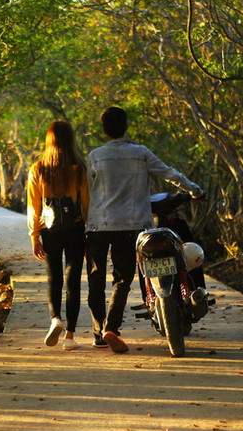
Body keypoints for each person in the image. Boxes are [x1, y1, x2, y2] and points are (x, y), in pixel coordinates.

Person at [85, 106, 204, 354]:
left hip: (98, 225)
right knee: (123, 279)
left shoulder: (95, 156)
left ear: (104, 130)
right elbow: (170, 173)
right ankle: (112, 328)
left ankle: (99, 333)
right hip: (132, 225)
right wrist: (194, 190)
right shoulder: (140, 153)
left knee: (96, 280)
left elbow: (88, 191)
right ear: (126, 127)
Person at [27, 120, 90, 350]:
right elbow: (86, 204)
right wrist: (89, 234)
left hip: (49, 231)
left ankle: (55, 320)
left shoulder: (38, 168)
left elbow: (33, 206)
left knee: (54, 279)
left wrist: (34, 236)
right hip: (75, 229)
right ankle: (70, 337)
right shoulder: (79, 167)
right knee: (73, 281)